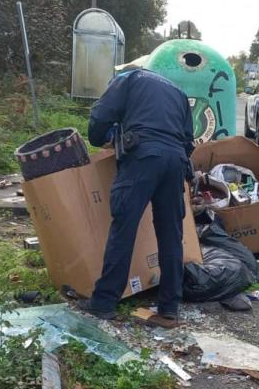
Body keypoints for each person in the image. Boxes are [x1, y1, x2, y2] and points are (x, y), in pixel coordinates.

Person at [77, 67, 194, 321]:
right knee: (171, 234)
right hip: (176, 161)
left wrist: (101, 138)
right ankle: (169, 308)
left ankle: (104, 303)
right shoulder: (178, 92)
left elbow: (102, 114)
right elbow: (188, 140)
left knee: (124, 228)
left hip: (142, 157)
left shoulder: (126, 79)